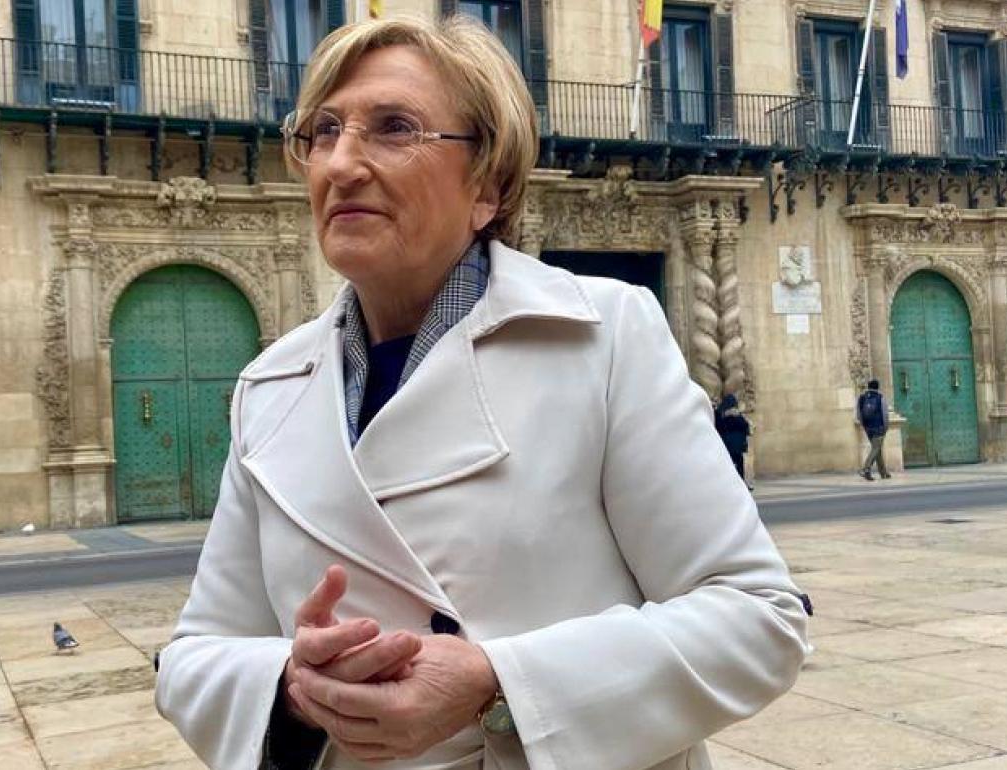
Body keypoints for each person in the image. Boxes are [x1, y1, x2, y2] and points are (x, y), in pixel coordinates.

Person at [154, 16, 808, 770]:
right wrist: (292, 692)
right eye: (323, 130)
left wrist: (499, 686)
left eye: (394, 128)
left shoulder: (605, 336)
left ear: (490, 186)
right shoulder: (269, 386)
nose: (341, 163)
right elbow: (196, 653)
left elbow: (759, 619)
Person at [715, 393, 754, 490]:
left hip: (725, 445)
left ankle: (727, 485)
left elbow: (717, 427)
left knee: (727, 465)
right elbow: (744, 426)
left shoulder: (719, 414)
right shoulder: (737, 415)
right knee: (739, 464)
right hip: (737, 446)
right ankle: (740, 484)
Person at [856, 379, 891, 481]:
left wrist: (864, 425)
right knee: (876, 448)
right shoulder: (880, 398)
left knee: (877, 449)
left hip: (868, 428)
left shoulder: (862, 398)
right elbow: (885, 415)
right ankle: (866, 469)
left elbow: (858, 414)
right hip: (878, 427)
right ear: (878, 387)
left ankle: (883, 472)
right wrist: (885, 427)